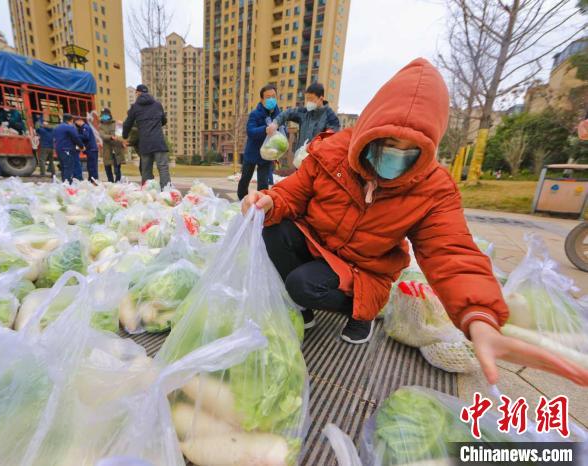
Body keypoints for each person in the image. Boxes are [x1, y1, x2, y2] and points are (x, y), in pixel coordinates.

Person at [242, 58, 588, 387]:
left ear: (428, 149)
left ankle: (362, 313)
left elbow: (451, 253)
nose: (394, 155)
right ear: (367, 132)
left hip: (365, 267)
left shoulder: (432, 188)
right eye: (387, 143)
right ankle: (306, 307)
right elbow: (294, 193)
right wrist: (270, 199)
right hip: (320, 244)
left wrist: (479, 317)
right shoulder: (332, 152)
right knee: (273, 227)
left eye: (409, 150)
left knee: (303, 283)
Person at [267, 82, 340, 152]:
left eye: (311, 99)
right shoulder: (304, 112)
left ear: (321, 99)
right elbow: (288, 113)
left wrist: (313, 146)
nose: (308, 102)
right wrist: (275, 123)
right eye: (307, 99)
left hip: (316, 159)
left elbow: (331, 139)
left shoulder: (331, 117)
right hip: (299, 157)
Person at [237, 84, 281, 200]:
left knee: (263, 184)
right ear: (262, 99)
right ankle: (242, 201)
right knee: (245, 180)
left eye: (273, 96)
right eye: (268, 97)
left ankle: (261, 207)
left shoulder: (279, 116)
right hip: (252, 153)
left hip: (267, 155)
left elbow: (283, 130)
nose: (271, 99)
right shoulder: (255, 114)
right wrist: (265, 130)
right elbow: (250, 131)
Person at [122, 84, 170, 188]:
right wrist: (155, 125)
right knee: (163, 168)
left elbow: (127, 123)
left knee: (146, 170)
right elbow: (164, 120)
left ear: (138, 93)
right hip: (159, 142)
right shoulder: (158, 105)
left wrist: (125, 135)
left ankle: (148, 194)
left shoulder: (135, 107)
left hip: (145, 144)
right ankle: (167, 193)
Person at [53, 113, 84, 183]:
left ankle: (64, 183)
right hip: (67, 149)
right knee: (68, 167)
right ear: (71, 120)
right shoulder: (69, 127)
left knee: (63, 167)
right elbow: (76, 137)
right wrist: (81, 146)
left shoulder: (57, 127)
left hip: (59, 150)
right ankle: (68, 184)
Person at [99, 108, 123, 182]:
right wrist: (111, 137)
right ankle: (110, 183)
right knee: (107, 167)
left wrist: (122, 125)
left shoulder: (116, 124)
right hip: (107, 150)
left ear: (109, 115)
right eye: (103, 115)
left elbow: (120, 135)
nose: (104, 117)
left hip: (116, 149)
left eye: (105, 115)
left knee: (117, 169)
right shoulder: (101, 126)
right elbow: (102, 135)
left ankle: (118, 183)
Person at [75, 116, 99, 182]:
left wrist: (76, 136)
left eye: (76, 122)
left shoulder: (85, 127)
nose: (76, 123)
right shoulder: (83, 128)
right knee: (90, 166)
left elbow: (86, 137)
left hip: (92, 149)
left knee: (92, 166)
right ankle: (91, 179)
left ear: (80, 121)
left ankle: (94, 180)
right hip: (90, 149)